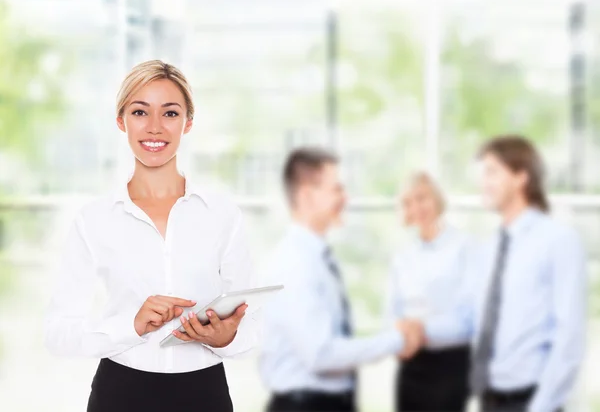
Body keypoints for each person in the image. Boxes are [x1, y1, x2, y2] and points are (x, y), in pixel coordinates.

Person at [44, 60, 257, 412]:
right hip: (121, 391)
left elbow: (254, 325)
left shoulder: (221, 215)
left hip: (204, 392)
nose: (155, 127)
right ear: (121, 121)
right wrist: (131, 325)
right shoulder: (93, 220)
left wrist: (227, 336)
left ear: (188, 122)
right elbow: (57, 333)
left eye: (170, 113)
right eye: (140, 112)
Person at [402, 135, 586, 412]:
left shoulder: (558, 240)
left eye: (492, 172)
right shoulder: (489, 249)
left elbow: (569, 338)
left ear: (521, 176)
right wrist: (420, 329)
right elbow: (469, 320)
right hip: (490, 401)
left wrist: (541, 408)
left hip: (532, 401)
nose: (483, 183)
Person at [259, 147, 421, 412]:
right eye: (337, 189)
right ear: (307, 196)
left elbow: (330, 336)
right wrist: (397, 340)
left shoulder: (317, 258)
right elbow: (321, 354)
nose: (346, 198)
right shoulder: (294, 263)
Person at [389, 172, 471, 411]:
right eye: (409, 202)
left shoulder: (464, 247)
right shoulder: (402, 256)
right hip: (411, 365)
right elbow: (392, 312)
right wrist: (401, 334)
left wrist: (422, 330)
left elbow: (469, 317)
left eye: (422, 198)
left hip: (450, 364)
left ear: (436, 199)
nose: (417, 207)